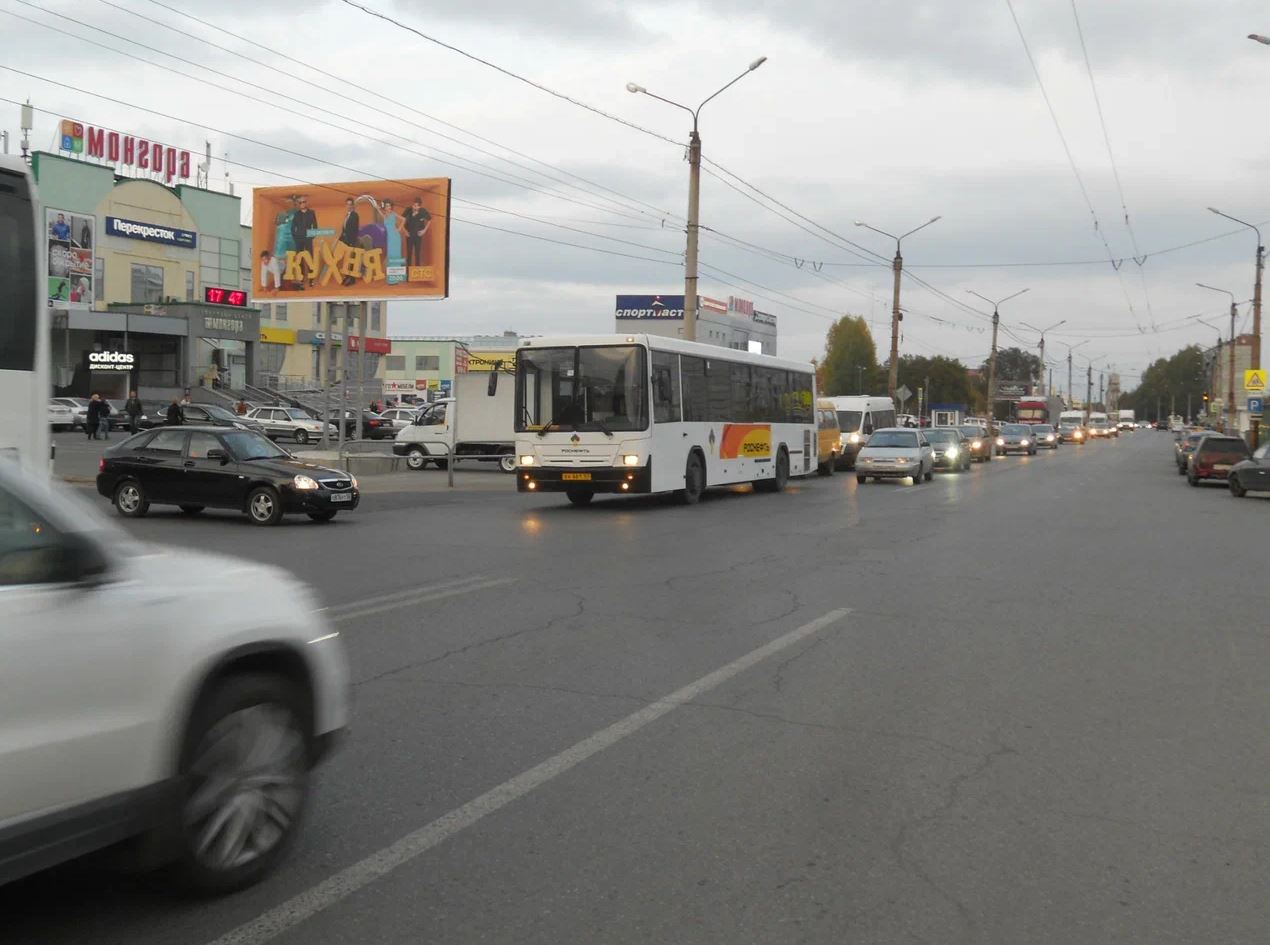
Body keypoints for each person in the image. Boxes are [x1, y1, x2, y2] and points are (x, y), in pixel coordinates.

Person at [290, 194, 318, 286]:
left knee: (310, 258)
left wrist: (311, 237)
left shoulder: (311, 213)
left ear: (306, 203)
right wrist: (295, 238)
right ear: (299, 204)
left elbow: (315, 226)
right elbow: (293, 227)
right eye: (300, 202)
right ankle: (301, 279)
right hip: (299, 240)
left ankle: (311, 279)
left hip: (308, 239)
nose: (302, 204)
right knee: (300, 259)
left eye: (304, 202)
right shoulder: (296, 214)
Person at [403, 196, 432, 268]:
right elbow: (401, 220)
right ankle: (408, 270)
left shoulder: (423, 211)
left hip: (418, 235)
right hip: (409, 234)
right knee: (409, 252)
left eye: (416, 206)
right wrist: (405, 231)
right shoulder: (408, 210)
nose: (414, 207)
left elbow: (429, 220)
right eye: (413, 205)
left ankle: (417, 270)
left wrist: (424, 230)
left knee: (417, 252)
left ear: (419, 207)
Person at [383, 199, 405, 283]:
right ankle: (392, 278)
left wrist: (399, 228)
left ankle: (396, 279)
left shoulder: (393, 214)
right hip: (389, 238)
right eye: (386, 206)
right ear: (384, 207)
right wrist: (377, 208)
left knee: (396, 256)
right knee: (390, 256)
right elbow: (379, 212)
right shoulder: (385, 215)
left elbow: (404, 219)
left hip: (395, 237)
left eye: (389, 205)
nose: (388, 207)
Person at [339, 197, 361, 285]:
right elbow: (344, 230)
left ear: (353, 205)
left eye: (350, 204)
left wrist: (352, 242)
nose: (349, 206)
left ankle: (352, 280)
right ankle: (347, 277)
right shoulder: (347, 215)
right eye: (347, 204)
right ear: (346, 205)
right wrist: (340, 240)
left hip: (351, 242)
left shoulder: (354, 215)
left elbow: (354, 230)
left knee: (351, 260)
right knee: (347, 260)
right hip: (345, 242)